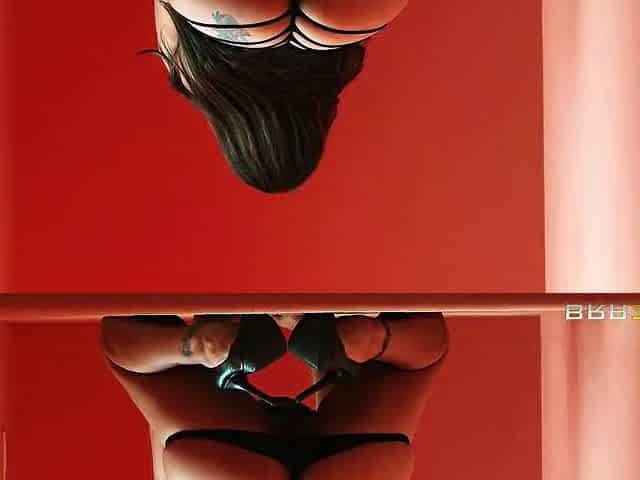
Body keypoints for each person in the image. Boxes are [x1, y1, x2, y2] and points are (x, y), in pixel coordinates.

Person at [100, 311, 448, 480]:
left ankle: (366, 338)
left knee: (412, 355)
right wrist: (188, 350)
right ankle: (205, 344)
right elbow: (119, 341)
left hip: (356, 468)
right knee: (133, 346)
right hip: (224, 468)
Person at [144, 0, 410, 192]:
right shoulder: (197, 80)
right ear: (235, 137)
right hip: (224, 16)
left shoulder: (330, 74)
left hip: (338, 25)